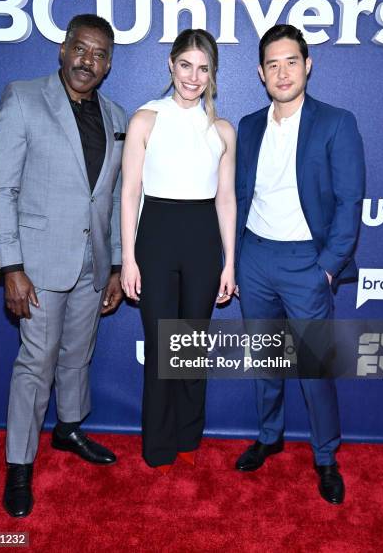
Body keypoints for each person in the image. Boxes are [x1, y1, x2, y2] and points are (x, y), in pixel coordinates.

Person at [0, 14, 126, 517]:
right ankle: (19, 465)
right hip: (39, 264)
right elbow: (2, 190)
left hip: (91, 265)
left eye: (100, 54)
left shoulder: (116, 117)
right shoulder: (22, 98)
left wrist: (113, 266)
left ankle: (68, 430)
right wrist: (12, 266)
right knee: (36, 363)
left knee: (76, 354)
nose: (88, 61)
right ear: (63, 50)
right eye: (81, 50)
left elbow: (109, 200)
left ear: (110, 64)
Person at [234, 24, 365, 504]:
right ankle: (270, 437)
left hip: (307, 262)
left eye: (291, 61)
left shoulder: (336, 122)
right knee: (266, 360)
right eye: (272, 64)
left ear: (307, 65)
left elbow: (350, 203)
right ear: (261, 73)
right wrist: (237, 259)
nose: (282, 72)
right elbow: (237, 197)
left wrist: (327, 268)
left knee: (314, 367)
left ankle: (326, 457)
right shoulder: (248, 126)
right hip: (256, 257)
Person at [121, 29, 236, 471]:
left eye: (203, 68)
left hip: (204, 239)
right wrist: (129, 257)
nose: (193, 76)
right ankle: (158, 442)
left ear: (212, 74)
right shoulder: (145, 119)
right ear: (170, 65)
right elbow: (130, 193)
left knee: (191, 345)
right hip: (156, 239)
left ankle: (190, 434)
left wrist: (230, 263)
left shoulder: (222, 130)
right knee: (161, 344)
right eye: (185, 65)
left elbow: (226, 199)